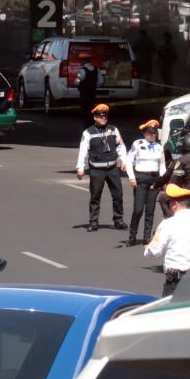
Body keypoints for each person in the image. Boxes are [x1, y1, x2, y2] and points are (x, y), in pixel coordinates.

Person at [76, 104, 127, 232]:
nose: (103, 118)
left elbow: (121, 146)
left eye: (104, 116)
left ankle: (118, 220)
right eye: (100, 116)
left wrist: (124, 160)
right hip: (96, 170)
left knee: (118, 195)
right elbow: (83, 151)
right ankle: (93, 222)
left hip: (112, 169)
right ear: (95, 117)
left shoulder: (113, 129)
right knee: (95, 196)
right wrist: (80, 168)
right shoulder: (88, 132)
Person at [125, 119, 167, 247]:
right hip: (141, 178)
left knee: (150, 210)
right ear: (144, 133)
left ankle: (146, 238)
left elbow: (162, 165)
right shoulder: (137, 144)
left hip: (154, 179)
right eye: (149, 133)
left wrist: (163, 180)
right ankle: (132, 236)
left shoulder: (159, 147)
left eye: (154, 133)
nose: (152, 135)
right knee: (138, 209)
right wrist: (131, 177)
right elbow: (128, 161)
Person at [76, 53, 103, 127]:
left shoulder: (82, 71)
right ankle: (92, 125)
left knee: (85, 111)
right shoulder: (96, 69)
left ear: (84, 61)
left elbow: (77, 81)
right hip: (92, 93)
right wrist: (93, 86)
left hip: (84, 94)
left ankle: (86, 126)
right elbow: (101, 81)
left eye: (81, 60)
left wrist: (77, 83)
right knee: (92, 109)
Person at [133, 29, 156, 97]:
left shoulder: (137, 40)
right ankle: (147, 92)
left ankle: (139, 90)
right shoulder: (150, 40)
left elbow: (133, 49)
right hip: (147, 60)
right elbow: (154, 49)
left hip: (139, 61)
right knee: (147, 77)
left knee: (139, 77)